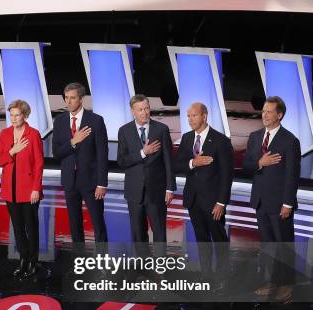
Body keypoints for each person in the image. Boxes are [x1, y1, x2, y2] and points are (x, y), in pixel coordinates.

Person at [242, 96, 300, 301]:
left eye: (268, 111)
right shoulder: (255, 136)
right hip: (260, 201)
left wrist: (287, 203)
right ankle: (273, 280)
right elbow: (247, 167)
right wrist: (260, 162)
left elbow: (292, 175)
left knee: (283, 244)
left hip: (280, 204)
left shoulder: (290, 140)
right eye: (263, 111)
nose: (264, 115)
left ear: (279, 115)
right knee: (268, 244)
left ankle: (287, 284)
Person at [174, 102, 233, 284]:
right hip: (193, 199)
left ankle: (222, 276)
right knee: (201, 238)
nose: (190, 119)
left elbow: (226, 174)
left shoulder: (221, 140)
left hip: (213, 201)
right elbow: (178, 165)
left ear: (204, 116)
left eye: (194, 115)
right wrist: (193, 163)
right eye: (188, 116)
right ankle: (206, 275)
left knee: (219, 239)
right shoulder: (186, 138)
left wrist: (221, 202)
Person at [51, 82, 109, 244]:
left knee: (98, 224)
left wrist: (102, 183)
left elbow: (102, 154)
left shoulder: (96, 120)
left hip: (91, 181)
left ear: (81, 99)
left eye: (72, 98)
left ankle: (102, 262)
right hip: (70, 181)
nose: (68, 102)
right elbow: (57, 153)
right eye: (66, 98)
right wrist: (73, 142)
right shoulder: (60, 121)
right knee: (74, 224)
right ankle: (80, 261)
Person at [0, 100, 44, 277]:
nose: (14, 118)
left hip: (29, 190)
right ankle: (23, 259)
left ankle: (33, 261)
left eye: (17, 115)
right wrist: (12, 151)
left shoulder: (33, 134)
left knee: (31, 227)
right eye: (11, 115)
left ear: (25, 115)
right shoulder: (5, 133)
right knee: (17, 227)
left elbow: (39, 164)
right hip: (10, 190)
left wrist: (36, 188)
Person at [117, 94, 176, 244]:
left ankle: (160, 265)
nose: (144, 112)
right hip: (134, 192)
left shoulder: (161, 129)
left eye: (147, 108)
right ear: (132, 111)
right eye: (140, 109)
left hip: (157, 191)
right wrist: (143, 153)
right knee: (138, 233)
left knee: (159, 232)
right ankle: (141, 265)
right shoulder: (124, 131)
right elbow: (122, 161)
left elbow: (169, 161)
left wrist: (170, 188)